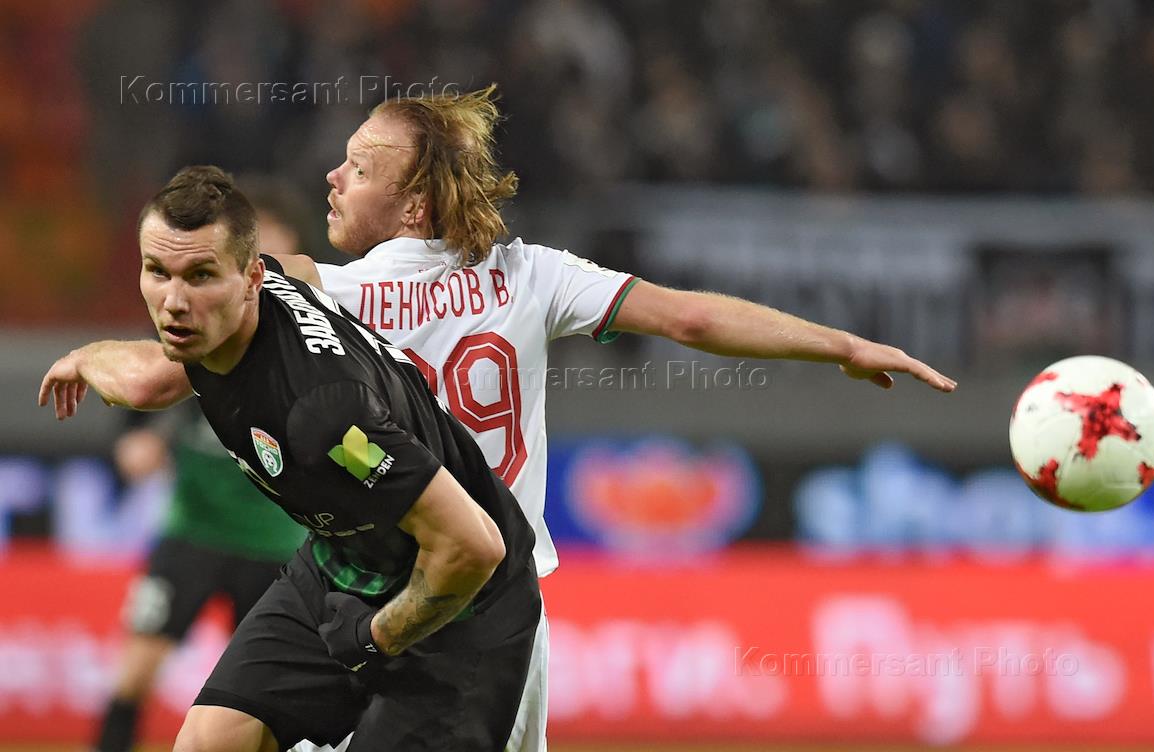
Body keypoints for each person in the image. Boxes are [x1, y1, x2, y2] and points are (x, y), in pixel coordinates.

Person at [44, 87, 957, 752]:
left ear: (413, 202)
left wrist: (93, 357)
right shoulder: (532, 275)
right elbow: (689, 319)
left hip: (459, 584)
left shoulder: (324, 287)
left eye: (358, 168)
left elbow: (180, 359)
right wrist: (838, 344)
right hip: (445, 586)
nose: (334, 177)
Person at [40, 166, 541, 751]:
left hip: (462, 606)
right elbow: (149, 380)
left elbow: (473, 545)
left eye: (201, 275)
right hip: (340, 565)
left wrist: (375, 639)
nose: (174, 302)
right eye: (157, 272)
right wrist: (83, 358)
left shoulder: (326, 415)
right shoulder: (216, 322)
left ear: (252, 277)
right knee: (208, 743)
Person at [94, 181, 311, 752]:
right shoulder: (192, 320)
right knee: (134, 673)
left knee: (262, 705)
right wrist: (135, 445)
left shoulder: (312, 341)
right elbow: (139, 407)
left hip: (275, 544)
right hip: (192, 530)